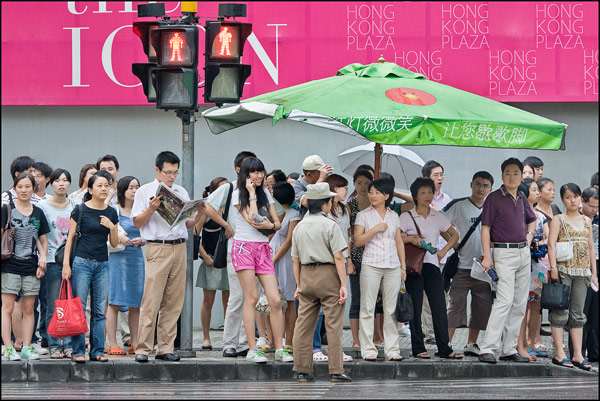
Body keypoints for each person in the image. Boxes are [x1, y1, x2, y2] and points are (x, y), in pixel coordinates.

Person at [131, 151, 204, 363]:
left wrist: (198, 213)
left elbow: (188, 224)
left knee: (174, 301)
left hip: (180, 246)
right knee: (152, 298)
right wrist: (151, 209)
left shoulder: (181, 190)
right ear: (157, 170)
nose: (172, 177)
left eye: (175, 172)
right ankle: (143, 348)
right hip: (157, 246)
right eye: (168, 172)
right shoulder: (145, 191)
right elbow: (137, 222)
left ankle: (165, 347)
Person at [229, 156, 292, 364]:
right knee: (252, 297)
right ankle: (253, 348)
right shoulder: (239, 194)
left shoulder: (266, 192)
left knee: (275, 299)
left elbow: (277, 223)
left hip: (263, 248)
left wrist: (269, 225)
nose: (258, 175)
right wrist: (252, 194)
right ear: (244, 175)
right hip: (244, 247)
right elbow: (254, 220)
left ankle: (279, 348)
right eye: (253, 172)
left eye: (260, 171)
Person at [478, 158, 537, 364]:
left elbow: (532, 219)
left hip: (523, 253)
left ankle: (509, 349)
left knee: (520, 304)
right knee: (504, 301)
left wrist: (529, 237)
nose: (512, 177)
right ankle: (487, 348)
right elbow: (485, 228)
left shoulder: (521, 196)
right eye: (507, 173)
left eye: (515, 173)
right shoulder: (493, 198)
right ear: (502, 175)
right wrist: (487, 256)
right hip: (503, 253)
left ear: (522, 175)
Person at [291, 183, 351, 383]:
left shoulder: (300, 226)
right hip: (328, 275)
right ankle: (335, 370)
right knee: (333, 324)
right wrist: (343, 284)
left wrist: (298, 285)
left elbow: (295, 259)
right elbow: (339, 257)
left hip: (306, 274)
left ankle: (302, 370)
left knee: (303, 324)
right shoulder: (330, 225)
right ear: (325, 204)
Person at [399, 177, 461, 359]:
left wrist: (443, 251)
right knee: (416, 307)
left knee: (439, 306)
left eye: (429, 192)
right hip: (413, 267)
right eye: (422, 192)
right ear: (415, 196)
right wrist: (411, 239)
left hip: (433, 265)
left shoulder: (438, 216)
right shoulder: (407, 216)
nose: (427, 196)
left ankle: (444, 348)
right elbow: (397, 237)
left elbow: (454, 235)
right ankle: (418, 348)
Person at [61, 172, 119, 363]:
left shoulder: (111, 212)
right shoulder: (80, 210)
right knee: (78, 308)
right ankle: (78, 351)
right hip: (81, 263)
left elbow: (115, 242)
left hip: (103, 263)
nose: (104, 189)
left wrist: (112, 227)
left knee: (99, 310)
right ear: (90, 189)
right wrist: (66, 265)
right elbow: (69, 239)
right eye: (100, 185)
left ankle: (97, 351)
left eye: (107, 186)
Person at [204, 151, 256, 359]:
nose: (252, 173)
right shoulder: (229, 188)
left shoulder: (258, 190)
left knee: (251, 297)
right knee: (237, 297)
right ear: (238, 170)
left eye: (255, 169)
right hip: (235, 248)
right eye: (247, 169)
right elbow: (208, 206)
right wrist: (226, 225)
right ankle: (230, 342)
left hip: (256, 249)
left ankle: (246, 341)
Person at [354, 178, 407, 361]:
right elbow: (357, 240)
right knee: (367, 307)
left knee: (391, 310)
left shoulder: (393, 215)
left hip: (392, 265)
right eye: (371, 192)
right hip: (371, 264)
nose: (372, 195)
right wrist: (374, 229)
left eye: (376, 192)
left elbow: (399, 241)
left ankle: (392, 349)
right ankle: (368, 349)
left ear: (386, 195)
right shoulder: (363, 215)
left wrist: (403, 266)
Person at [443, 171, 495, 357]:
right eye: (478, 184)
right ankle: (446, 343)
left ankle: (471, 344)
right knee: (456, 305)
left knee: (482, 307)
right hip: (462, 267)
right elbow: (440, 223)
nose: (481, 189)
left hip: (484, 268)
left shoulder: (493, 207)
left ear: (490, 188)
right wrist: (453, 243)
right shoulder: (459, 205)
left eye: (485, 185)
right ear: (471, 184)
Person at [547, 183, 597, 370]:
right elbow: (551, 244)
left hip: (582, 272)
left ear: (580, 199)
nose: (572, 200)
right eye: (568, 197)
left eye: (575, 196)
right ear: (563, 199)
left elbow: (591, 248)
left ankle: (577, 355)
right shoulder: (558, 219)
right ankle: (560, 353)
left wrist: (594, 274)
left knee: (578, 314)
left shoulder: (587, 221)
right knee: (560, 312)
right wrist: (553, 267)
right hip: (563, 271)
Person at [1, 173, 50, 361]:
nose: (24, 190)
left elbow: (43, 239)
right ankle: (7, 347)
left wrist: (42, 260)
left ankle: (27, 347)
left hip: (31, 265)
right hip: (9, 265)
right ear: (15, 189)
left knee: (29, 309)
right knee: (8, 308)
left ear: (33, 189)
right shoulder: (6, 210)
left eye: (27, 186)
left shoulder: (38, 212)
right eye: (20, 186)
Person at [37, 169, 75, 359]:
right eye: (58, 180)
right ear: (51, 183)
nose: (62, 183)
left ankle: (68, 345)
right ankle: (53, 345)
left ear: (70, 184)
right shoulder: (43, 206)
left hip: (72, 261)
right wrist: (41, 257)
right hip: (52, 261)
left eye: (65, 180)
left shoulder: (74, 206)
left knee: (69, 304)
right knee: (53, 305)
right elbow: (39, 234)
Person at [105, 176, 145, 356]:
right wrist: (117, 235)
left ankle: (135, 342)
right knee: (114, 301)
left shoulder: (141, 211)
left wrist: (142, 240)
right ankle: (112, 343)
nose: (134, 190)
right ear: (122, 190)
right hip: (117, 257)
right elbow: (104, 221)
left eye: (137, 187)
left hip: (136, 257)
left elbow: (150, 233)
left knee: (135, 303)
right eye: (130, 187)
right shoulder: (115, 210)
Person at [516, 178, 550, 362]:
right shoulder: (518, 214)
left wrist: (541, 244)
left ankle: (531, 342)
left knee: (535, 305)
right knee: (522, 305)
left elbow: (548, 237)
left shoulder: (540, 215)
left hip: (539, 265)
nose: (538, 193)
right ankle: (520, 344)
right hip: (523, 263)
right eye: (535, 190)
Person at [195, 177, 230, 350]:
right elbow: (195, 233)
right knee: (208, 300)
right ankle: (206, 338)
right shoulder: (206, 210)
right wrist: (205, 257)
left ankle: (228, 337)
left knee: (229, 301)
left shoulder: (231, 209)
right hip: (211, 261)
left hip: (228, 260)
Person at [421, 160, 453, 344]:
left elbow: (451, 224)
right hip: (426, 254)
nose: (440, 178)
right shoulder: (419, 199)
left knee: (443, 293)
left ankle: (441, 330)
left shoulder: (446, 199)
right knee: (428, 294)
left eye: (441, 174)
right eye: (436, 175)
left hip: (444, 253)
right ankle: (430, 333)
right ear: (426, 178)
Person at [269, 183, 301, 351]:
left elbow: (289, 241)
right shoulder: (274, 214)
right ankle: (273, 340)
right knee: (271, 301)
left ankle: (288, 340)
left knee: (288, 300)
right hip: (272, 256)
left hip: (286, 259)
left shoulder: (294, 215)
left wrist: (274, 258)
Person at [348, 169, 374, 347]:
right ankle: (356, 340)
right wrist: (349, 260)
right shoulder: (349, 206)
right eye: (359, 183)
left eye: (367, 183)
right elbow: (346, 234)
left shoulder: (377, 204)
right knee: (357, 298)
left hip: (375, 256)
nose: (363, 187)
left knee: (373, 300)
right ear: (354, 184)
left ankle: (371, 338)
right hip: (357, 256)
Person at [580, 187, 599, 362]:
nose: (594, 210)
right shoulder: (576, 218)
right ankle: (580, 351)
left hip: (597, 265)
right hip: (580, 265)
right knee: (582, 310)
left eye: (597, 207)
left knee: (595, 311)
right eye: (591, 206)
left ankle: (595, 352)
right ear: (582, 202)